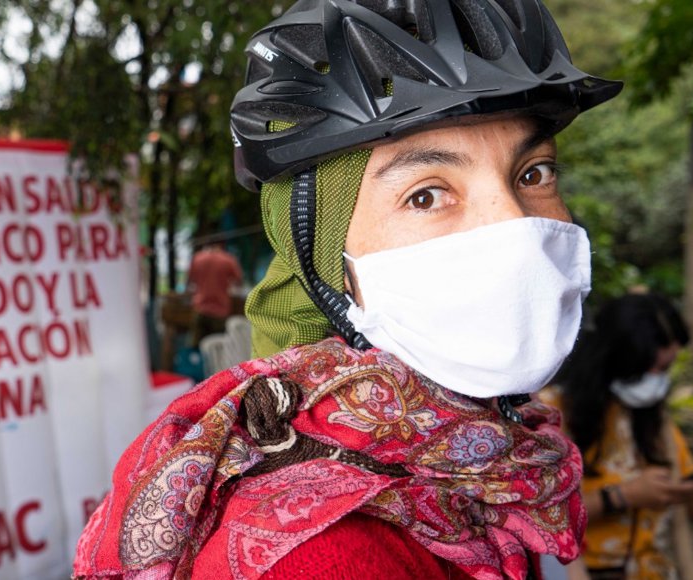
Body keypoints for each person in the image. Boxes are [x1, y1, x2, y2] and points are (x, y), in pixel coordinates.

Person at [75, 0, 622, 577]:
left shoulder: (493, 456)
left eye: (532, 174)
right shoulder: (327, 556)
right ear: (327, 259)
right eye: (427, 195)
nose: (514, 229)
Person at [543, 293, 693, 579]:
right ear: (617, 357)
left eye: (666, 369)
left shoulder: (655, 421)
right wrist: (623, 496)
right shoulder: (552, 415)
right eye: (653, 369)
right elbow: (539, 518)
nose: (657, 381)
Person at [187, 239, 243, 345]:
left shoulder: (197, 258)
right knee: (219, 348)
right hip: (220, 310)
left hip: (200, 308)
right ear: (222, 245)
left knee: (195, 346)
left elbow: (190, 281)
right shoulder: (228, 260)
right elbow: (238, 282)